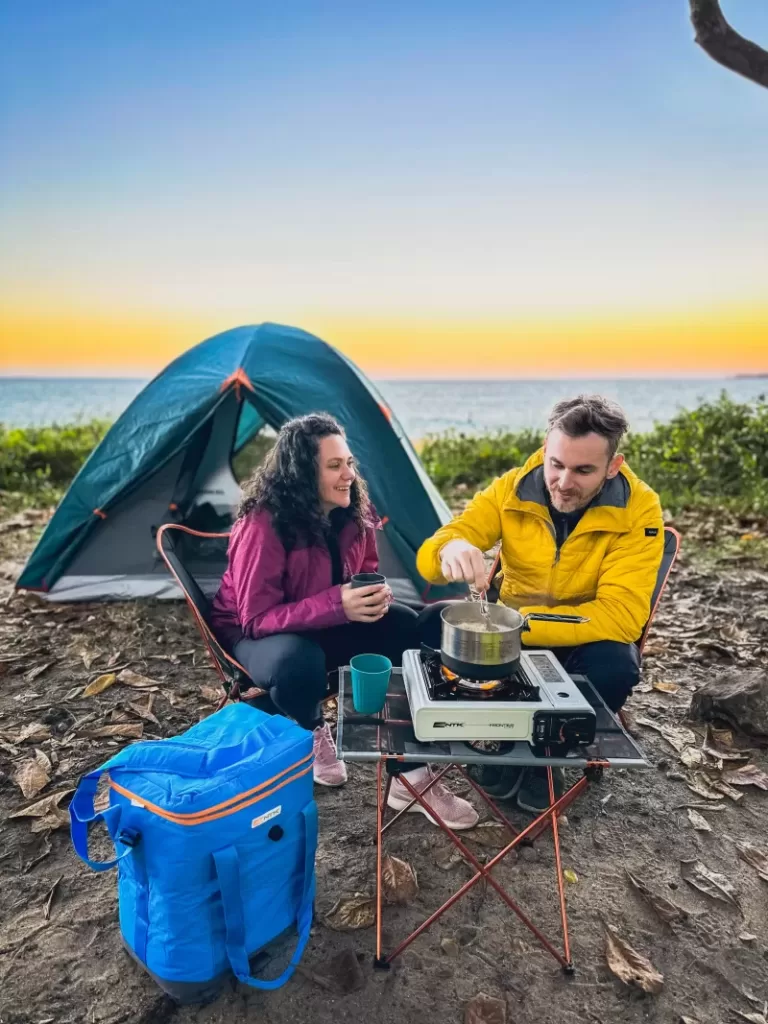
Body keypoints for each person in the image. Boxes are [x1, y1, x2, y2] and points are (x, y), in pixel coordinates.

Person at [211, 413, 478, 828]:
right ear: (302, 473)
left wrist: (371, 596)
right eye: (335, 466)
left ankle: (409, 774)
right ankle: (312, 727)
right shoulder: (263, 523)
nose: (349, 475)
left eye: (350, 463)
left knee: (413, 628)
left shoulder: (353, 512)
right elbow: (255, 618)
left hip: (322, 623)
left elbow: (364, 568)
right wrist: (339, 604)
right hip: (258, 635)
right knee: (297, 661)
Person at [416, 395, 664, 814]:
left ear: (613, 466)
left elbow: (622, 618)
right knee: (428, 624)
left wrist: (515, 625)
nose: (564, 482)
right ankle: (494, 737)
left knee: (617, 665)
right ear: (546, 451)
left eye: (583, 470)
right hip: (509, 637)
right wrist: (450, 548)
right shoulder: (511, 489)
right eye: (556, 464)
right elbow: (430, 557)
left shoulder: (639, 509)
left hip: (581, 636)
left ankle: (546, 754)